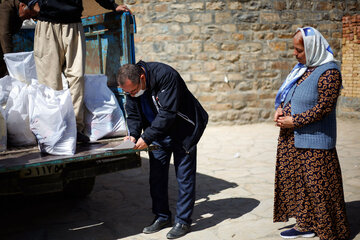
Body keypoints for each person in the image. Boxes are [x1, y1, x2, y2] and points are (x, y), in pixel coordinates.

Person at [273, 27, 350, 240]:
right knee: (300, 184)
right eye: (295, 49)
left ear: (312, 48)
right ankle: (304, 224)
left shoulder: (329, 72)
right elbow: (289, 94)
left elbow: (324, 107)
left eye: (299, 50)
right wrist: (281, 108)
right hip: (293, 137)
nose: (295, 54)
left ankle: (331, 231)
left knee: (319, 188)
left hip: (315, 141)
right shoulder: (302, 69)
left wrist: (294, 120)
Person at [117, 61, 208, 239]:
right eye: (128, 93)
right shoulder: (132, 88)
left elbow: (167, 112)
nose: (132, 95)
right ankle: (162, 216)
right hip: (157, 134)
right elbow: (133, 113)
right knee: (156, 177)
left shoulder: (166, 75)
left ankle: (183, 221)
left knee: (184, 177)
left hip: (184, 131)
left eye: (133, 91)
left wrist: (147, 137)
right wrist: (134, 135)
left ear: (142, 78)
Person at [33, 0, 131, 142]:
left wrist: (112, 5)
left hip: (74, 25)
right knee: (50, 81)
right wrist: (32, 3)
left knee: (77, 78)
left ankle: (74, 129)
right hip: (48, 24)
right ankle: (52, 130)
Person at [0, 0, 38, 78]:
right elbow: (5, 34)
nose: (29, 18)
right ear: (23, 6)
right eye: (29, 14)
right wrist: (9, 58)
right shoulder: (6, 8)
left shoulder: (19, 14)